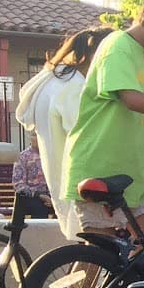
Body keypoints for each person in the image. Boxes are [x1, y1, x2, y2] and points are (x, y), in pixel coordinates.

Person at [64, 0, 144, 243]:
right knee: (99, 253)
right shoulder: (118, 46)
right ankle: (74, 285)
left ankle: (117, 282)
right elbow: (130, 99)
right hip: (101, 168)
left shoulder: (141, 54)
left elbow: (143, 109)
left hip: (131, 178)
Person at [17, 26, 103, 238]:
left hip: (60, 175)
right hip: (81, 178)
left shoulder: (53, 81)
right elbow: (84, 133)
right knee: (95, 242)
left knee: (88, 246)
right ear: (92, 55)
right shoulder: (73, 86)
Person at [10, 135, 55, 220]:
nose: (38, 137)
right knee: (39, 206)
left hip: (51, 196)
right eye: (34, 135)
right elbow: (18, 184)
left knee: (63, 205)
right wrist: (39, 195)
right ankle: (39, 233)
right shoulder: (23, 156)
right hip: (32, 197)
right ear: (30, 137)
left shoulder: (52, 156)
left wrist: (52, 198)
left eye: (39, 134)